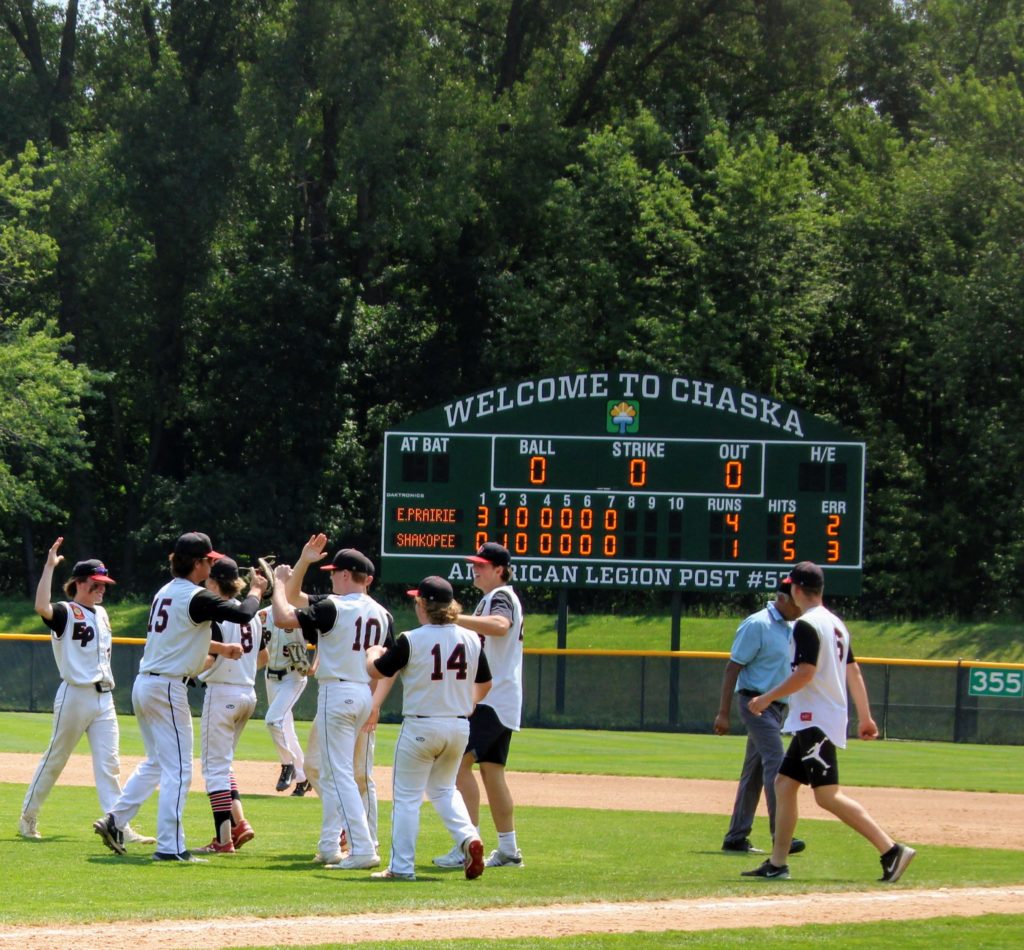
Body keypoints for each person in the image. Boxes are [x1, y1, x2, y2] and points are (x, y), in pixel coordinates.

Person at [93, 532, 266, 863]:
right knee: (181, 769)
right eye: (208, 561)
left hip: (147, 682)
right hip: (167, 687)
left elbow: (182, 636)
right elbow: (244, 614)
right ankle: (171, 848)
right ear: (198, 563)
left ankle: (115, 820)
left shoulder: (165, 592)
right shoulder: (196, 596)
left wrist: (220, 648)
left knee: (157, 762)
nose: (210, 566)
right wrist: (257, 590)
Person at [742, 561, 916, 883]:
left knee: (827, 795)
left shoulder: (807, 624)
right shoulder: (835, 624)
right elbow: (854, 671)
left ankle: (890, 850)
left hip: (814, 719)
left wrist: (766, 698)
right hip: (819, 718)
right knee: (784, 784)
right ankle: (778, 862)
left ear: (796, 590)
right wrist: (865, 717)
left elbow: (804, 674)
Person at [19, 538, 154, 846]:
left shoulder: (103, 613)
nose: (102, 589)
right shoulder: (66, 611)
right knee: (56, 758)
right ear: (80, 583)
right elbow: (41, 606)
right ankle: (28, 816)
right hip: (75, 695)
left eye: (104, 584)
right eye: (96, 583)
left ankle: (118, 824)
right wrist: (49, 567)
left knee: (110, 764)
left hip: (104, 697)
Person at [271, 536, 393, 870]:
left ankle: (363, 847)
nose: (331, 577)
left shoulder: (334, 606)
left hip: (337, 693)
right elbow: (389, 664)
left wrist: (278, 585)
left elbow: (284, 616)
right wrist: (303, 561)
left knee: (340, 775)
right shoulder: (382, 614)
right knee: (342, 772)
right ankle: (329, 844)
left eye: (335, 572)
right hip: (365, 693)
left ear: (346, 575)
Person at [367, 575, 491, 881]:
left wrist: (372, 654)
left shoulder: (412, 639)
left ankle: (401, 867)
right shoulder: (471, 638)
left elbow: (377, 670)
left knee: (407, 798)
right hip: (459, 726)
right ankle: (468, 837)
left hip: (422, 726)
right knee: (444, 789)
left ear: (423, 605)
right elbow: (485, 683)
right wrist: (469, 702)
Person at [434, 542, 524, 870]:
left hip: (491, 700)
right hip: (501, 699)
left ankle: (466, 845)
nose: (476, 568)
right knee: (491, 772)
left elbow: (501, 626)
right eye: (476, 563)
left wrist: (458, 618)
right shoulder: (495, 597)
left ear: (499, 569)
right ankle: (509, 850)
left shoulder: (501, 596)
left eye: (483, 565)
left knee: (458, 766)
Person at [714, 579, 805, 856]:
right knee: (777, 765)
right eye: (797, 601)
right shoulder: (758, 624)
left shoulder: (791, 628)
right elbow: (733, 668)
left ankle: (736, 836)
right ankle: (782, 837)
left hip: (777, 707)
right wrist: (723, 713)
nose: (801, 608)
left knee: (753, 774)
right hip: (755, 703)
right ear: (782, 598)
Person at [194, 557, 270, 853]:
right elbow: (262, 658)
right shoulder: (250, 614)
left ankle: (223, 840)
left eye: (208, 580)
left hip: (222, 694)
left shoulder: (215, 615)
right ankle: (239, 824)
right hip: (247, 694)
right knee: (223, 764)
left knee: (213, 769)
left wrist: (192, 670)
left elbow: (210, 658)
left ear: (214, 582)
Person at [260, 603, 312, 795]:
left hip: (293, 677)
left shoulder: (299, 614)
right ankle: (303, 778)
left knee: (273, 720)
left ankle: (287, 764)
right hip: (270, 677)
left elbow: (323, 637)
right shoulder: (261, 614)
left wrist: (315, 663)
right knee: (287, 730)